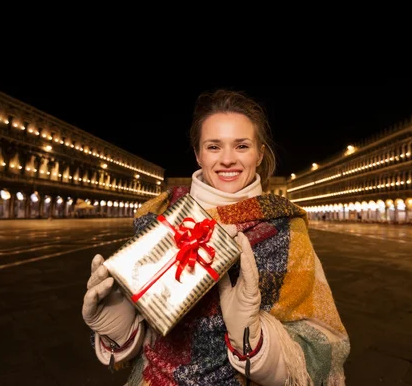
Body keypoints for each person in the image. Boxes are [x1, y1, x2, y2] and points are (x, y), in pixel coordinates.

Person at [82, 89, 350, 385]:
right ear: (198, 153)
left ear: (259, 154)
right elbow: (146, 334)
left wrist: (256, 340)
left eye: (241, 146)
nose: (227, 160)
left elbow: (325, 344)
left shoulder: (286, 229)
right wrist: (119, 328)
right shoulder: (158, 218)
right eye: (213, 147)